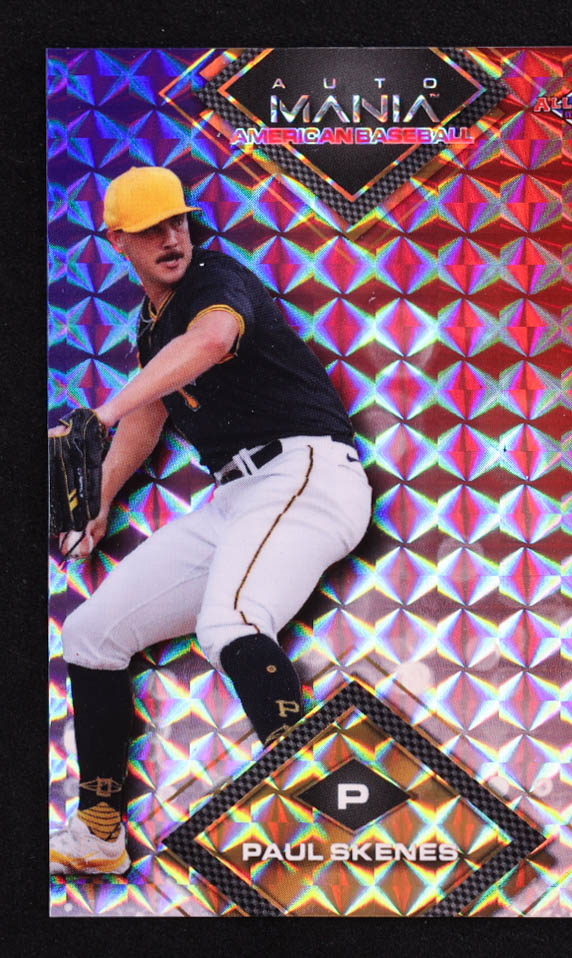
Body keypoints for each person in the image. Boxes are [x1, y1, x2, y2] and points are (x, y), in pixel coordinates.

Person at [49, 165, 372, 875]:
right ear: (118, 241)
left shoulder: (213, 280)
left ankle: (329, 824)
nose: (171, 238)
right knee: (91, 634)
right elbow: (149, 415)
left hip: (306, 474)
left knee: (230, 623)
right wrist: (99, 502)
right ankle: (99, 834)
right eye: (150, 229)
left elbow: (214, 340)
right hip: (240, 498)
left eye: (177, 221)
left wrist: (98, 414)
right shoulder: (151, 323)